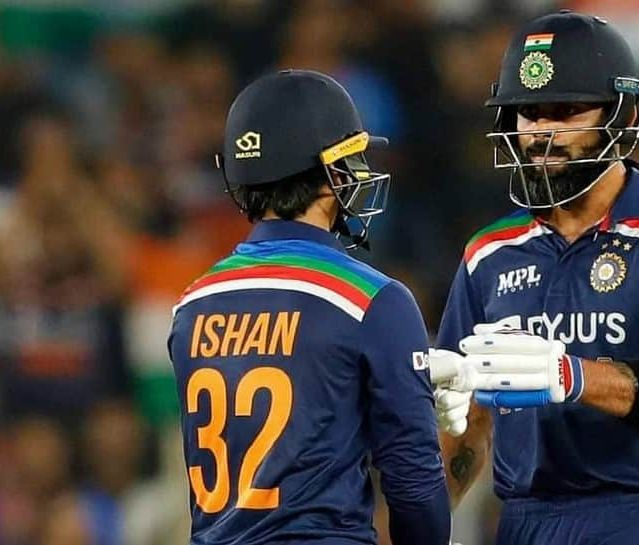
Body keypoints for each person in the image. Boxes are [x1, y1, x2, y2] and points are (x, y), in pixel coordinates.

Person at [430, 11, 639, 545]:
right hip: (525, 523)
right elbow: (469, 427)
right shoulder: (488, 253)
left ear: (623, 115)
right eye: (528, 114)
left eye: (565, 112)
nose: (541, 135)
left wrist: (568, 374)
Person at [167, 70, 450, 545]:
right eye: (351, 160)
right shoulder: (372, 299)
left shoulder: (192, 303)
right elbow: (414, 485)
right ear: (330, 173)